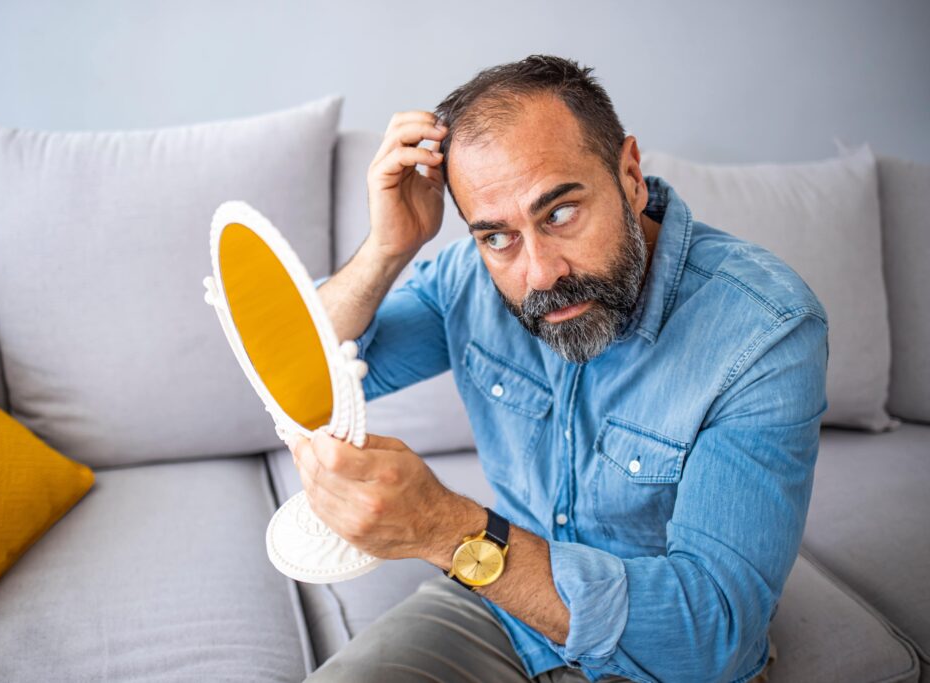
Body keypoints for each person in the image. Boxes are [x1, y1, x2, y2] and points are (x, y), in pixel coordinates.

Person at [290, 54, 828, 683]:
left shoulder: (764, 330)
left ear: (630, 175)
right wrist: (388, 249)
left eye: (562, 213)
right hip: (501, 610)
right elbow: (305, 376)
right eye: (498, 237)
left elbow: (712, 640)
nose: (540, 274)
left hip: (656, 656)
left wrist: (443, 527)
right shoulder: (471, 279)